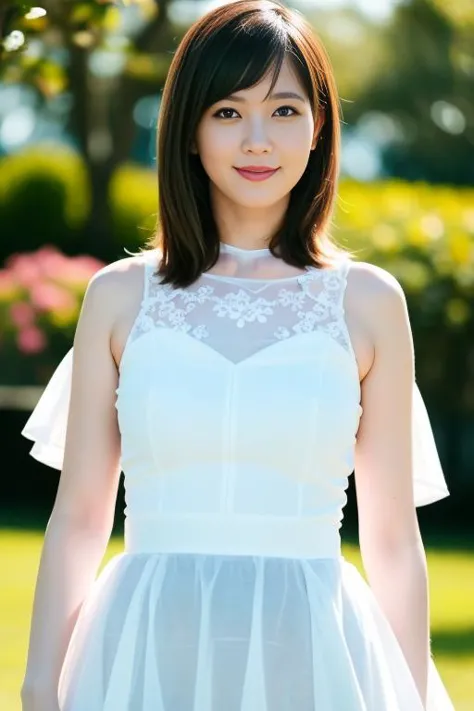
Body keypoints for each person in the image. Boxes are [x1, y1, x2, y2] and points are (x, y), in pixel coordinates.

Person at [20, 1, 455, 709]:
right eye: (228, 112)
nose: (258, 140)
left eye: (284, 111)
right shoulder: (120, 296)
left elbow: (393, 538)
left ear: (319, 127)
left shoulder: (370, 302)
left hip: (315, 651)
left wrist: (407, 691)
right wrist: (40, 685)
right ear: (188, 129)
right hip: (142, 648)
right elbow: (78, 519)